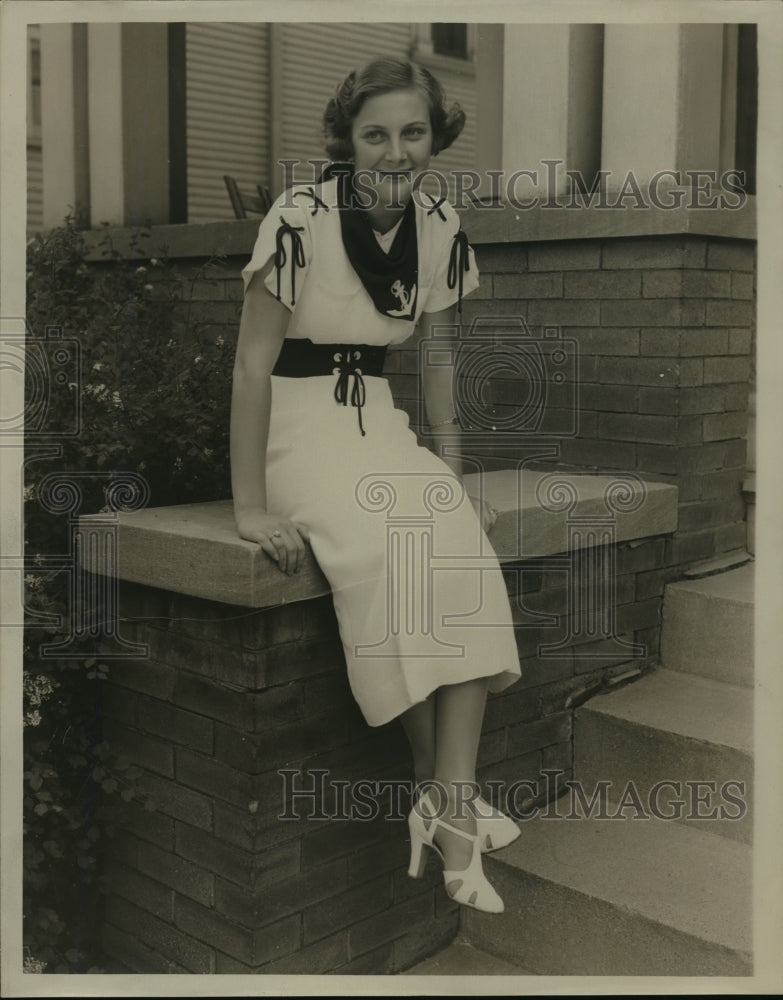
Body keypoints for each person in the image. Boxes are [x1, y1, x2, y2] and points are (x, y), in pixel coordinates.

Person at [231, 57, 521, 914]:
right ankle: (448, 806)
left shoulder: (437, 222)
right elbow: (250, 365)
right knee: (389, 547)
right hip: (298, 427)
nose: (395, 152)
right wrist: (248, 505)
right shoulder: (300, 217)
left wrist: (452, 461)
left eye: (412, 133)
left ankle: (445, 796)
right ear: (347, 140)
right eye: (375, 134)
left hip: (378, 425)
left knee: (455, 543)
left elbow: (434, 350)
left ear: (435, 139)